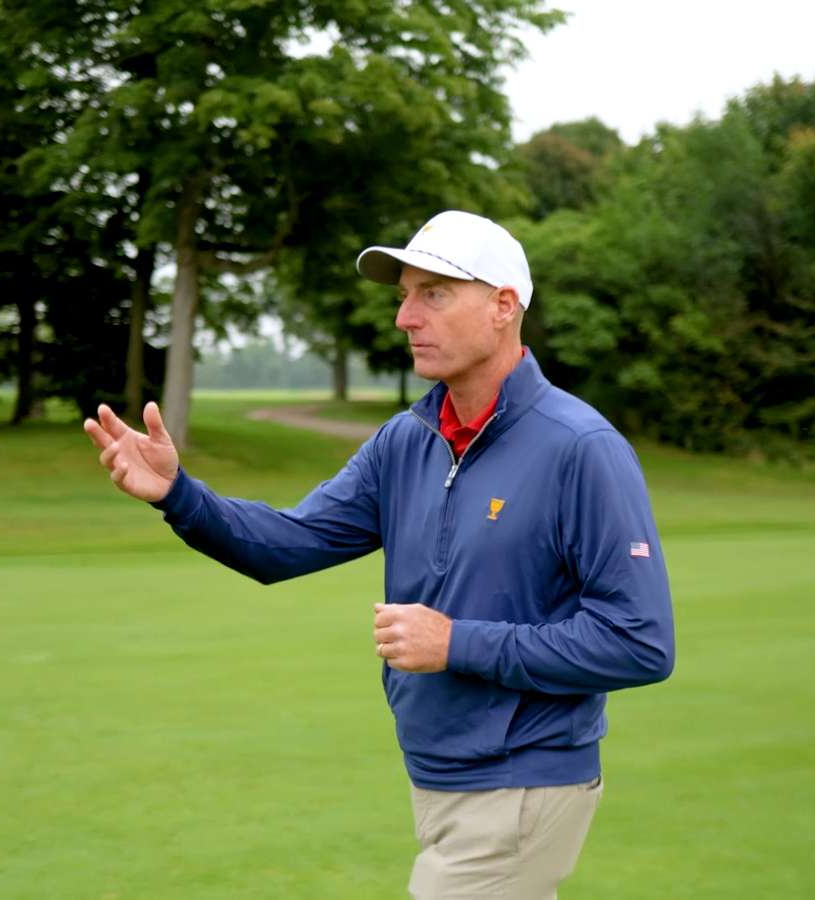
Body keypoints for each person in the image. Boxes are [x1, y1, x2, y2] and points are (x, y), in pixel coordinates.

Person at [82, 209, 675, 899]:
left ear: (503, 307)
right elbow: (286, 543)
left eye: (434, 294)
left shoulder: (580, 449)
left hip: (523, 780)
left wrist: (456, 642)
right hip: (440, 774)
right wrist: (179, 495)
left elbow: (640, 642)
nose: (405, 318)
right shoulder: (407, 440)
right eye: (403, 295)